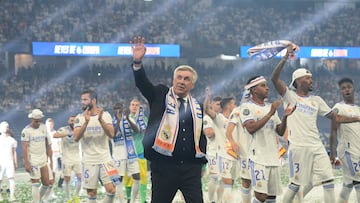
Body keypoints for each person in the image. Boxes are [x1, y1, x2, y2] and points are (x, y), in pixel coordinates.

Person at [271, 45, 360, 203]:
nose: (311, 80)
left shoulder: (317, 101)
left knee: (329, 180)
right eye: (307, 78)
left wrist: (357, 118)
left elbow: (337, 118)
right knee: (296, 184)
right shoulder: (289, 96)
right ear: (297, 81)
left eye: (311, 77)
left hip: (317, 146)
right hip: (298, 146)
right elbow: (274, 79)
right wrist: (285, 57)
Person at [131, 36, 207, 203]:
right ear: (173, 80)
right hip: (164, 166)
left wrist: (200, 162)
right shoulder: (160, 94)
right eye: (178, 77)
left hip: (190, 168)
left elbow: (200, 135)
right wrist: (137, 63)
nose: (181, 81)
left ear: (192, 84)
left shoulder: (197, 106)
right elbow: (143, 85)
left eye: (186, 79)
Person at [239, 76, 294, 203]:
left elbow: (279, 131)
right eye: (263, 85)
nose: (267, 88)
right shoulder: (247, 107)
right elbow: (251, 128)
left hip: (273, 157)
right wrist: (270, 113)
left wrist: (285, 117)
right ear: (254, 90)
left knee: (271, 197)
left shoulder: (270, 107)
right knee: (261, 196)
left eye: (266, 85)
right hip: (257, 157)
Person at [73, 90, 118, 203]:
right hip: (89, 160)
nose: (82, 102)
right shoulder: (79, 118)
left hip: (105, 159)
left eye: (85, 99)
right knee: (92, 193)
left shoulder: (106, 115)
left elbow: (111, 134)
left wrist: (100, 120)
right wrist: (86, 122)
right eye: (82, 99)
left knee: (111, 190)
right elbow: (76, 138)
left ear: (93, 101)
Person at [329, 77, 360, 203]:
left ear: (354, 89)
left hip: (357, 149)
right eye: (343, 88)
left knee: (348, 184)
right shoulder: (338, 107)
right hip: (348, 150)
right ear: (340, 92)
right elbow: (333, 129)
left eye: (349, 87)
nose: (346, 90)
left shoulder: (358, 109)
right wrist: (332, 153)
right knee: (359, 181)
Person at [204, 91, 237, 202]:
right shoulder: (216, 118)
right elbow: (209, 133)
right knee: (217, 179)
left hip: (232, 154)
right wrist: (207, 97)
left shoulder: (234, 119)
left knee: (228, 181)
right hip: (216, 152)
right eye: (233, 104)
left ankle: (219, 201)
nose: (235, 106)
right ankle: (213, 201)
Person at [21, 109, 54, 203]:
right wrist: (26, 162)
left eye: (40, 120)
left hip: (43, 158)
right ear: (32, 119)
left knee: (47, 183)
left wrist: (50, 159)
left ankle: (37, 200)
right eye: (36, 121)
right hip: (33, 159)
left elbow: (48, 144)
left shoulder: (43, 127)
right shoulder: (26, 131)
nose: (38, 122)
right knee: (35, 183)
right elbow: (24, 147)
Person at [111, 102, 141, 203]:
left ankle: (132, 201)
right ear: (114, 110)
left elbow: (137, 130)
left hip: (131, 151)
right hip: (118, 154)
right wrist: (118, 122)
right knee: (119, 179)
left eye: (120, 108)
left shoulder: (127, 118)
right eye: (116, 108)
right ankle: (122, 201)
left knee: (137, 176)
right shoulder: (111, 121)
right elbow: (112, 135)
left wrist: (127, 118)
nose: (118, 110)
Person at [123, 98, 149, 203]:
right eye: (132, 104)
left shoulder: (144, 119)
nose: (134, 107)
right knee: (128, 178)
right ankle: (129, 199)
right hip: (128, 152)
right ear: (129, 107)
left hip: (140, 151)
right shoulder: (124, 119)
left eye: (137, 105)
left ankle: (143, 200)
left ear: (140, 107)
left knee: (142, 177)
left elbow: (144, 131)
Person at [53, 115, 82, 203]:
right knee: (67, 179)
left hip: (77, 157)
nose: (72, 122)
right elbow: (55, 135)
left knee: (80, 178)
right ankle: (68, 198)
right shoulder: (63, 129)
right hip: (66, 158)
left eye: (74, 120)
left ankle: (76, 196)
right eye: (71, 120)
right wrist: (67, 134)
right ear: (68, 122)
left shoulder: (79, 129)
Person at [203, 93, 223, 203]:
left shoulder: (221, 118)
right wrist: (221, 132)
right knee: (214, 177)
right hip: (213, 152)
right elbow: (209, 133)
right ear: (212, 105)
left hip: (223, 152)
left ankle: (219, 200)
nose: (219, 106)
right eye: (217, 104)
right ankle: (211, 200)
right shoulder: (207, 118)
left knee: (223, 179)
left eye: (221, 104)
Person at [0, 121, 17, 202]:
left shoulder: (12, 140)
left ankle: (12, 195)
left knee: (11, 178)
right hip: (0, 162)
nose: (5, 128)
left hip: (9, 162)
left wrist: (15, 162)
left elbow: (14, 152)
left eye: (7, 126)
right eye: (3, 126)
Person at [45, 118, 62, 199]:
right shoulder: (44, 134)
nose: (50, 126)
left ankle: (51, 192)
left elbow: (60, 144)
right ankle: (45, 193)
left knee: (53, 174)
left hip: (55, 156)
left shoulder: (56, 133)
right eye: (48, 124)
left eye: (51, 124)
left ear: (53, 125)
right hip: (45, 156)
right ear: (46, 125)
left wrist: (61, 154)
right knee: (46, 175)